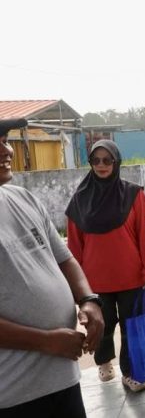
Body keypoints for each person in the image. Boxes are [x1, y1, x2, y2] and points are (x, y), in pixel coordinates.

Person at [0, 118, 104, 417]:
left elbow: (64, 258)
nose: (6, 150)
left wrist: (88, 299)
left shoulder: (22, 198)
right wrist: (44, 341)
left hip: (60, 377)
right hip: (12, 391)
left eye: (5, 139)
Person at [65, 140, 145, 392]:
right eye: (96, 160)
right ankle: (104, 360)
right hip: (95, 281)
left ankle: (131, 373)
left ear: (116, 162)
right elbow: (74, 246)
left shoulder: (134, 194)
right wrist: (78, 285)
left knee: (133, 328)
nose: (102, 165)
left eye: (107, 160)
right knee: (102, 326)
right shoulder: (79, 200)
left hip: (132, 276)